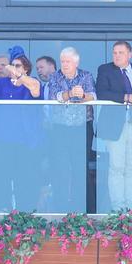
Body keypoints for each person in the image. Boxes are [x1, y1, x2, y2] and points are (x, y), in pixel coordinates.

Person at [0, 47, 42, 212]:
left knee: (24, 179)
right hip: (1, 139)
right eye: (12, 65)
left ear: (26, 68)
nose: (13, 67)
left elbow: (35, 89)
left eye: (18, 65)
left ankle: (24, 213)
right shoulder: (2, 83)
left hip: (25, 141)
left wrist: (19, 75)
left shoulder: (32, 82)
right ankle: (2, 211)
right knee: (0, 177)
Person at [45, 47, 96, 212]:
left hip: (82, 128)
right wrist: (69, 93)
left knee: (80, 168)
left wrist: (81, 95)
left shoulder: (86, 75)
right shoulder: (54, 76)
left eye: (68, 61)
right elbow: (53, 96)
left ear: (76, 62)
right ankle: (61, 210)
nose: (64, 64)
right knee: (60, 168)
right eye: (62, 61)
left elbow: (93, 97)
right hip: (60, 128)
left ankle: (81, 209)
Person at [95, 41, 132, 211]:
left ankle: (130, 207)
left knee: (130, 166)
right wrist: (126, 97)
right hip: (116, 125)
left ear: (129, 54)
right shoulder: (105, 69)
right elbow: (102, 92)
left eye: (121, 53)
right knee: (117, 167)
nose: (117, 56)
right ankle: (119, 209)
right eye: (114, 52)